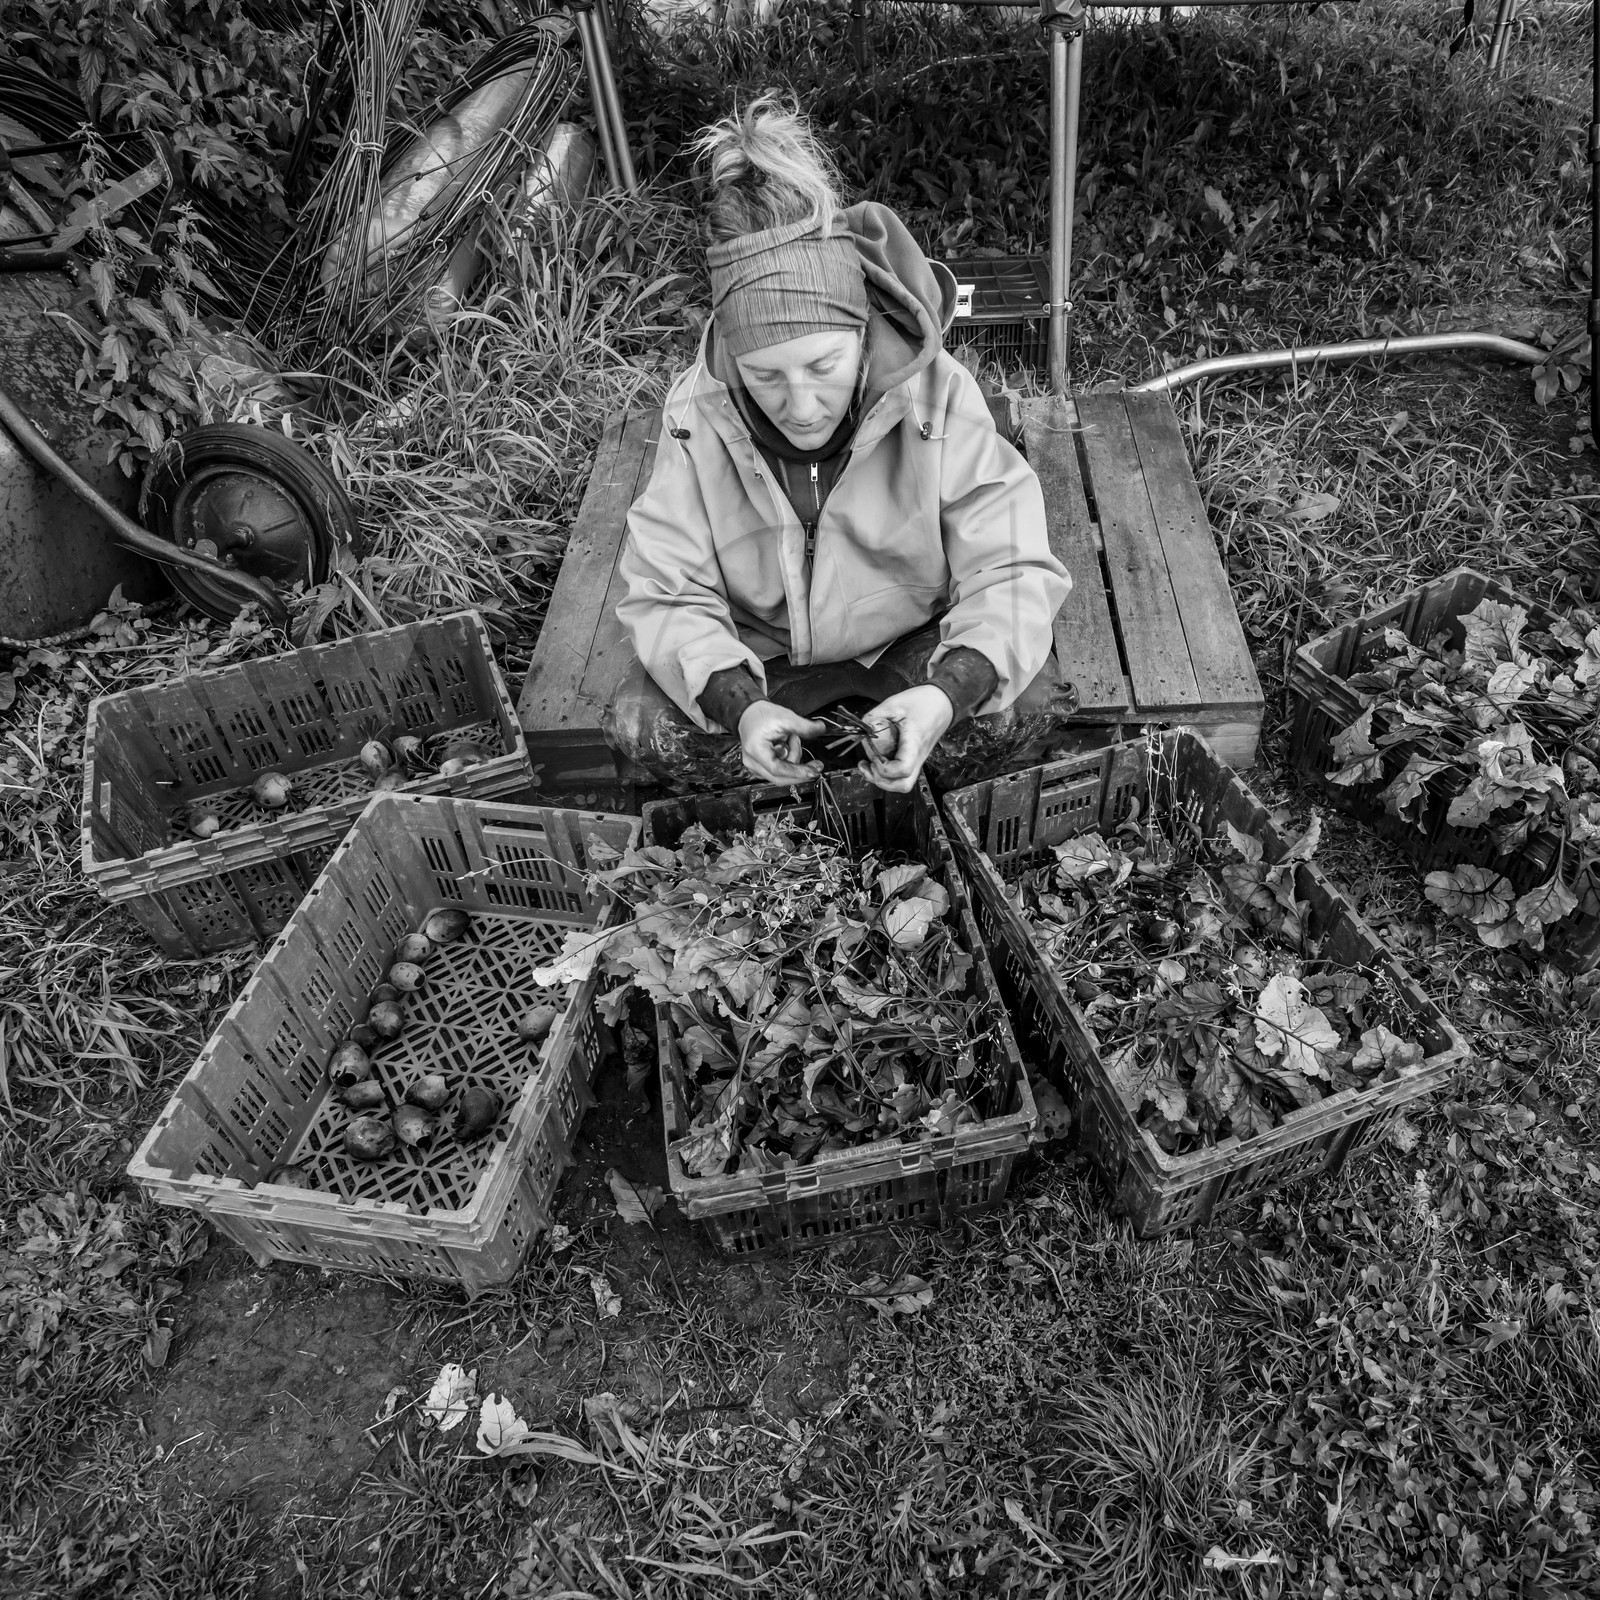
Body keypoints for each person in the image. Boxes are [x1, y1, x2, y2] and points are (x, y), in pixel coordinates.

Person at [602, 92, 1075, 795]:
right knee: (640, 725)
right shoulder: (696, 412)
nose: (799, 406)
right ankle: (797, 774)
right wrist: (740, 706)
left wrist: (945, 693)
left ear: (860, 334)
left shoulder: (938, 394)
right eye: (766, 376)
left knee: (1026, 706)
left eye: (823, 368)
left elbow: (1010, 570)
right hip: (768, 660)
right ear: (735, 358)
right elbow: (667, 592)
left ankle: (893, 753)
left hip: (908, 645)